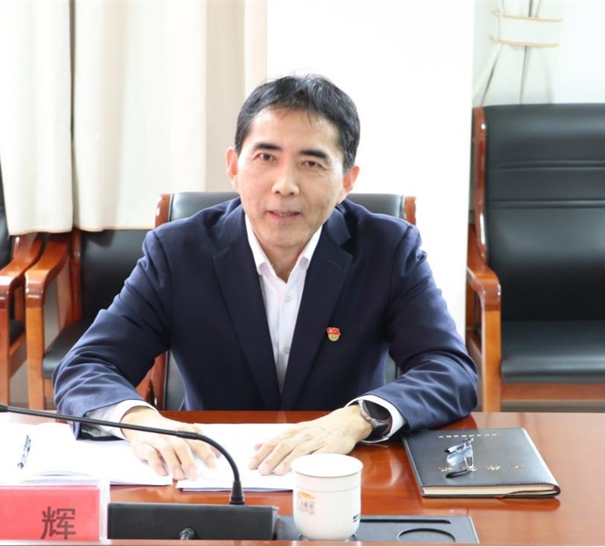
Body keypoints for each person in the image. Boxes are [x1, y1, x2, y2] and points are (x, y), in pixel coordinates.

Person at [53, 74, 477, 481]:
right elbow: (88, 366)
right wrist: (139, 420)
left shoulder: (387, 249)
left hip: (346, 474)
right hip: (212, 475)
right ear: (234, 167)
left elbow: (449, 369)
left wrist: (357, 418)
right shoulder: (177, 252)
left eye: (311, 163)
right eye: (266, 157)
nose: (285, 185)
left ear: (347, 181)